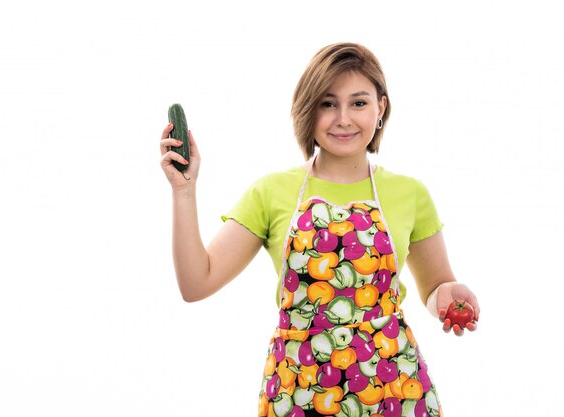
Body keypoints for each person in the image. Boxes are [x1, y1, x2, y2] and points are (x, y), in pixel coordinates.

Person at [159, 42, 479, 416]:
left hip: (394, 386)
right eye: (328, 103)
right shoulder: (271, 192)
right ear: (308, 111)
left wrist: (446, 293)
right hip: (299, 387)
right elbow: (197, 284)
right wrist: (184, 192)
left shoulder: (410, 194)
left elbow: (435, 285)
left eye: (358, 103)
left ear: (381, 108)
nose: (343, 118)